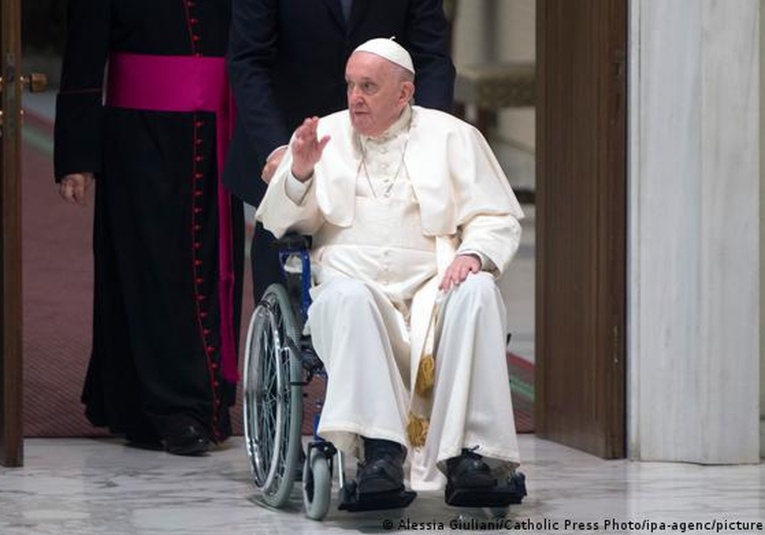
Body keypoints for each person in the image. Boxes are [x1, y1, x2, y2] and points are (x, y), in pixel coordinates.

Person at [256, 38, 526, 507]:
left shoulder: (453, 137)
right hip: (352, 282)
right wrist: (298, 173)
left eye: (368, 87)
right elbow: (284, 224)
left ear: (404, 93)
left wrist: (475, 255)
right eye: (350, 86)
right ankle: (380, 454)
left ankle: (472, 455)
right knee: (349, 300)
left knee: (479, 290)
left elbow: (495, 217)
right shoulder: (327, 137)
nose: (354, 97)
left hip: (433, 286)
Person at [54, 0, 244, 456]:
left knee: (214, 268)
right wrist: (77, 157)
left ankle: (206, 402)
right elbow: (84, 53)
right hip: (140, 140)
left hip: (216, 137)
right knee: (152, 272)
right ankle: (170, 408)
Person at [224, 0, 456, 302]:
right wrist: (278, 150)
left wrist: (425, 137)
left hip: (384, 143)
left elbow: (431, 58)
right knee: (285, 263)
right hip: (292, 136)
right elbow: (248, 61)